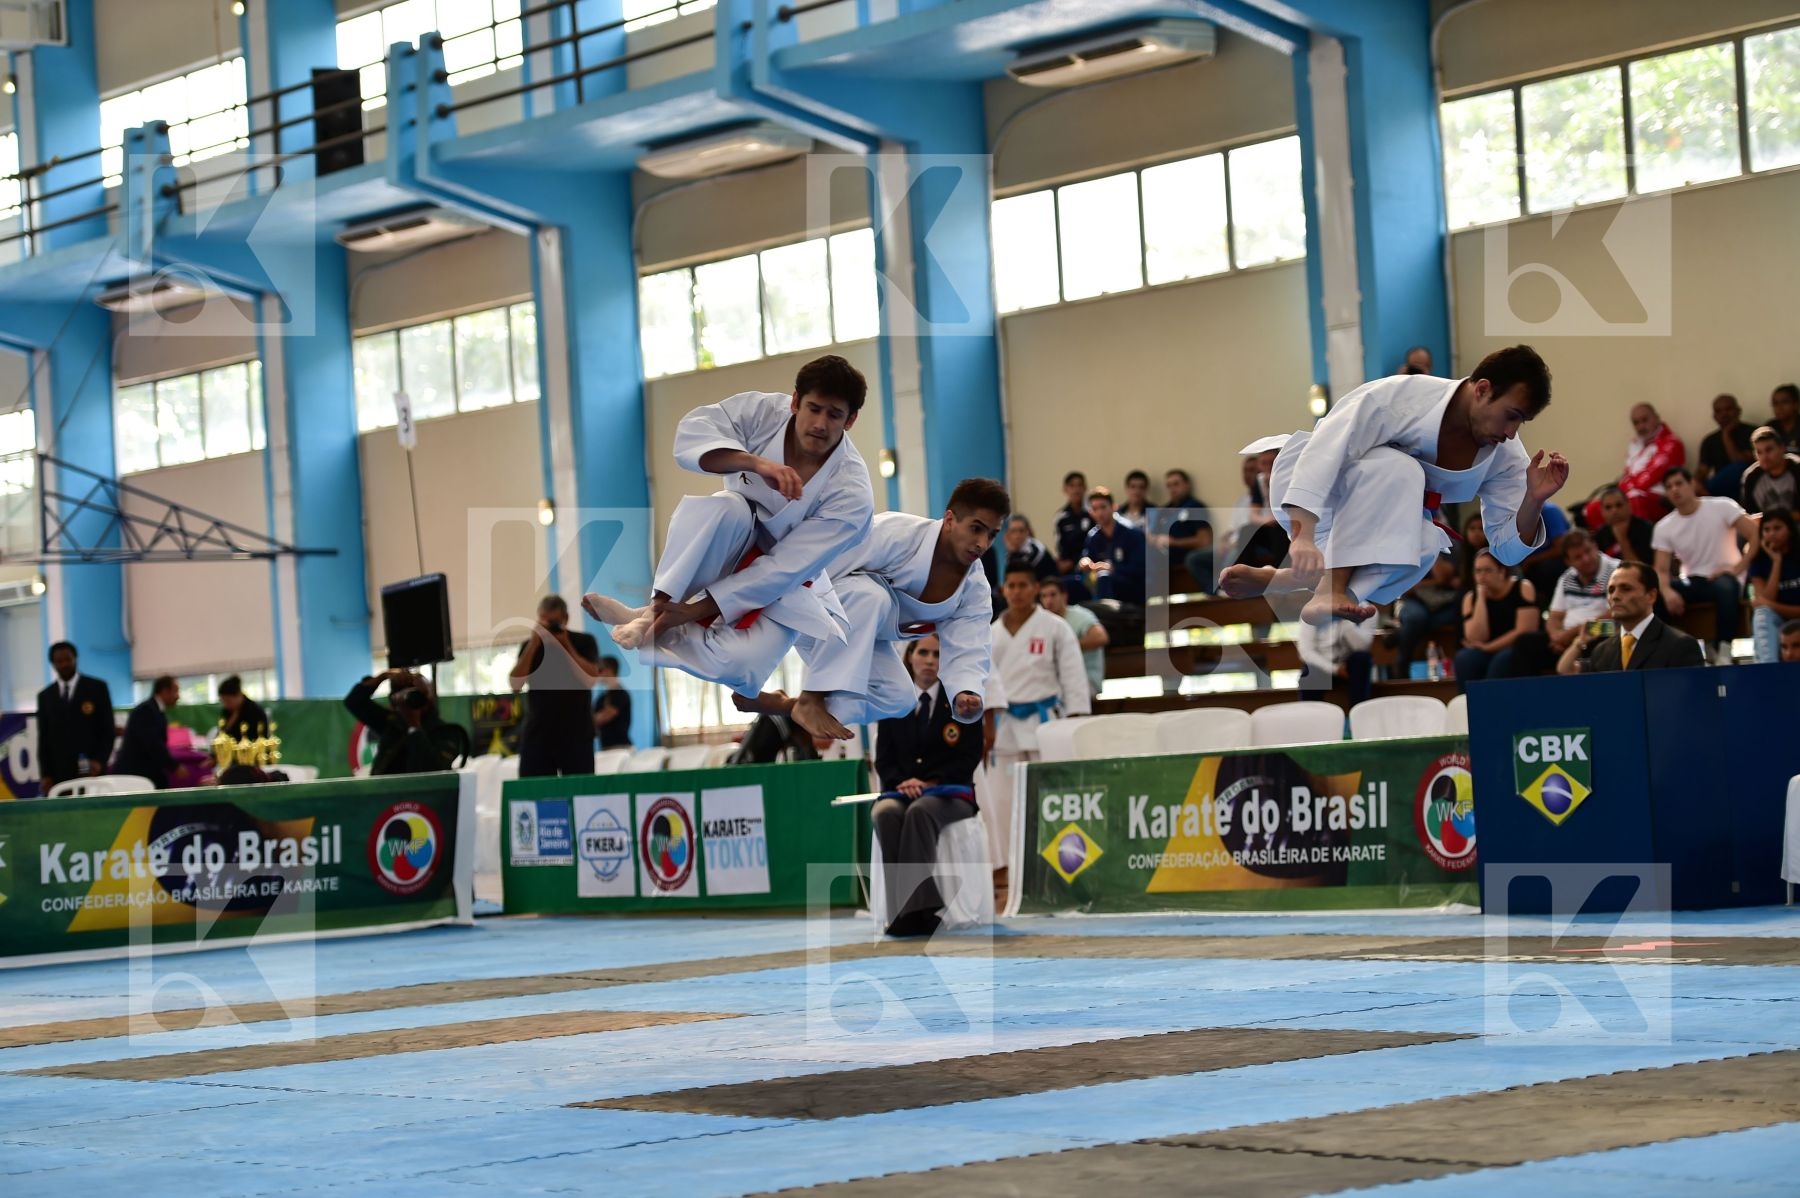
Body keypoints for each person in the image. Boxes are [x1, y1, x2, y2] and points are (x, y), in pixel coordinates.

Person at [583, 356, 874, 740]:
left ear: (850, 420)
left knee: (740, 666)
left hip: (787, 582)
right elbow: (691, 434)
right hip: (728, 541)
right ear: (794, 401)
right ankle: (654, 609)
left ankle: (645, 619)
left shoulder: (851, 492)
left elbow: (783, 569)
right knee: (725, 510)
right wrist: (756, 464)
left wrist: (690, 613)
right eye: (813, 408)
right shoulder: (762, 413)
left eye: (834, 415)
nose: (820, 424)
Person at [1220, 345, 1568, 628]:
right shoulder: (1400, 397)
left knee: (1429, 541)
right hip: (1313, 494)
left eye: (1521, 422)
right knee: (1402, 470)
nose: (1511, 432)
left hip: (1364, 529)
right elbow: (1327, 451)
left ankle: (1294, 582)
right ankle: (1331, 586)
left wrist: (1533, 502)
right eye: (1511, 415)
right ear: (1482, 389)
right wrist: (1303, 535)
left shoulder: (1506, 455)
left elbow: (1505, 551)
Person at [735, 478, 1006, 733]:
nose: (982, 543)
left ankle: (788, 706)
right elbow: (817, 563)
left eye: (992, 535)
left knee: (899, 699)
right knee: (871, 597)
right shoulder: (895, 534)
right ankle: (812, 697)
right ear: (950, 520)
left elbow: (970, 643)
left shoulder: (974, 587)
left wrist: (966, 690)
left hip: (863, 637)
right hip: (816, 618)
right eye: (976, 528)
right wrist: (759, 605)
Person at [870, 635, 986, 938]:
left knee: (921, 811)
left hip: (950, 793)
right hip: (902, 790)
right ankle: (913, 908)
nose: (930, 660)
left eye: (937, 654)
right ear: (910, 657)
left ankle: (910, 911)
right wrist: (902, 782)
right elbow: (884, 759)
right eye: (923, 652)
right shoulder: (895, 701)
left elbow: (969, 756)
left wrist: (931, 781)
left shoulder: (962, 700)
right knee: (885, 812)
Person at [984, 561, 1091, 864]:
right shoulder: (990, 632)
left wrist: (1075, 723)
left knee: (1052, 799)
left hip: (1044, 725)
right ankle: (1006, 868)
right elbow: (985, 681)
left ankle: (1060, 863)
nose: (1016, 592)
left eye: (1023, 585)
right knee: (1003, 802)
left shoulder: (1055, 628)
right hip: (1004, 727)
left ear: (1035, 589)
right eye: (1011, 586)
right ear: (1003, 590)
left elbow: (1073, 677)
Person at [1652, 466, 1761, 663]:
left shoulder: (1722, 506)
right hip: (1693, 581)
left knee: (1725, 587)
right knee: (1653, 594)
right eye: (1669, 487)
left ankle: (1723, 652)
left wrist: (1737, 568)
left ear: (1691, 483)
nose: (1675, 490)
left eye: (1679, 483)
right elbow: (1660, 568)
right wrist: (1667, 591)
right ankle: (1671, 652)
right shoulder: (1664, 527)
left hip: (1727, 577)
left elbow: (1754, 535)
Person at [510, 594, 602, 776]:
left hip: (577, 734)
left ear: (565, 619)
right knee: (535, 795)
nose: (550, 627)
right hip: (538, 736)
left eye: (555, 622)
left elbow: (590, 679)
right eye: (546, 621)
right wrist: (534, 644)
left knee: (580, 795)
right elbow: (515, 684)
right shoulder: (531, 646)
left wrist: (565, 645)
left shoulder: (583, 642)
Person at [1584, 561, 1707, 671]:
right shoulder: (1601, 652)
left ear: (1651, 596)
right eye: (1611, 590)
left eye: (1625, 588)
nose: (1615, 596)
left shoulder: (1680, 646)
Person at [343, 669, 468, 775]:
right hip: (386, 799)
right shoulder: (393, 724)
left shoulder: (448, 733)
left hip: (421, 802)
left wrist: (414, 727)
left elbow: (432, 771)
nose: (414, 701)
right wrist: (384, 676)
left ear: (431, 697)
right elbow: (354, 701)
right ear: (394, 702)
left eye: (419, 694)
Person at [1582, 403, 1685, 528]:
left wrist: (1621, 492)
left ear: (1657, 418)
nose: (1641, 426)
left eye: (1645, 420)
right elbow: (1627, 476)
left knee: (1633, 498)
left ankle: (1640, 545)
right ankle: (1610, 545)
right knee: (1590, 509)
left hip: (1659, 497)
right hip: (1630, 493)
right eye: (1636, 423)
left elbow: (1647, 478)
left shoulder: (1671, 442)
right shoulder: (1635, 445)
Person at [35, 641, 115, 793]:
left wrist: (99, 761)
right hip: (58, 774)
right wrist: (45, 774)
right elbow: (43, 739)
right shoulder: (45, 696)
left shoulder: (97, 688)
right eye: (59, 661)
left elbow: (107, 730)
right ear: (53, 664)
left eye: (68, 659)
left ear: (75, 659)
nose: (64, 664)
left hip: (91, 771)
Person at [1454, 550, 1543, 685]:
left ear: (1502, 571)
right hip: (1486, 648)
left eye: (1488, 571)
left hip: (1517, 648)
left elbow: (1525, 631)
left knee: (1501, 660)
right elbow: (1475, 638)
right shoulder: (1470, 598)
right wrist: (1481, 600)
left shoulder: (1523, 587)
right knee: (1464, 659)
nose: (1482, 577)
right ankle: (1468, 703)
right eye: (1478, 571)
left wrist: (1488, 647)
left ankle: (1494, 704)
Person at [1545, 529, 1619, 673]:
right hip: (1568, 635)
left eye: (1588, 551)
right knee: (1527, 643)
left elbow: (1615, 613)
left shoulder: (1617, 571)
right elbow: (1554, 616)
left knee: (1606, 632)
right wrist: (1556, 636)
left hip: (1606, 627)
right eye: (1578, 557)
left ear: (1595, 546)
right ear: (1568, 561)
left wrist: (1571, 634)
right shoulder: (1565, 578)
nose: (1586, 559)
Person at [1039, 574, 1107, 701]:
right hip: (1055, 682)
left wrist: (1067, 647)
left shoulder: (1081, 616)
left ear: (1064, 596)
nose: (1048, 600)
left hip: (1086, 680)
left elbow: (1100, 637)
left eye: (1053, 595)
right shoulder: (1042, 622)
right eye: (1044, 596)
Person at [1393, 556, 1463, 677]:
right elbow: (1402, 587)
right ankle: (1402, 664)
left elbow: (1443, 577)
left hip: (1445, 602)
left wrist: (1435, 555)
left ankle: (1400, 634)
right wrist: (1433, 582)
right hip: (1414, 600)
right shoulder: (1407, 546)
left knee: (1458, 613)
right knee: (1416, 618)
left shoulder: (1453, 546)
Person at [1079, 486, 1148, 607]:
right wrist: (1085, 563)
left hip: (1133, 588)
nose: (1100, 513)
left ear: (1113, 507)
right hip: (1102, 584)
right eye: (1095, 509)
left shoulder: (1131, 532)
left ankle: (1103, 619)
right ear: (1091, 513)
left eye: (1103, 507)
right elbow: (1087, 558)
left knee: (1104, 577)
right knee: (1071, 583)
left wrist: (1113, 569)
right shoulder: (1093, 536)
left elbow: (1141, 568)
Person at [1747, 510, 1800, 664]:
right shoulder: (1759, 561)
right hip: (1778, 620)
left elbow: (1767, 602)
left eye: (1777, 528)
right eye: (1766, 529)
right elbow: (1765, 603)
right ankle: (1769, 670)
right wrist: (1776, 562)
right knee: (1762, 614)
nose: (1771, 534)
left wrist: (1770, 604)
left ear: (1790, 530)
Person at [113, 675, 179, 788]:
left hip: (146, 770)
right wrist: (174, 766)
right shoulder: (146, 710)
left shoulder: (156, 710)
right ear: (165, 691)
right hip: (135, 773)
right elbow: (153, 743)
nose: (178, 696)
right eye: (176, 691)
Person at [1152, 468, 1212, 591]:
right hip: (1160, 556)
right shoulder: (1163, 511)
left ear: (1187, 485)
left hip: (1183, 555)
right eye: (1169, 485)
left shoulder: (1195, 507)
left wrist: (1173, 542)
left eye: (1176, 484)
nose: (1172, 489)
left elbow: (1204, 541)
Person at [1696, 393, 1755, 502]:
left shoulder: (1753, 433)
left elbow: (1739, 462)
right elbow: (1702, 471)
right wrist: (1697, 484)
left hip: (1748, 485)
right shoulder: (1709, 440)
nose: (1724, 414)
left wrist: (1726, 435)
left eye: (1728, 409)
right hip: (1721, 490)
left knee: (1738, 467)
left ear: (1738, 411)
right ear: (1714, 416)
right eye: (1719, 411)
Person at [1739, 426, 1800, 518]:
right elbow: (1748, 516)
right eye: (1759, 452)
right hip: (1764, 529)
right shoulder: (1751, 477)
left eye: (1769, 450)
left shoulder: (1797, 469)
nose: (1764, 457)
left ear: (1782, 448)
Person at [1592, 484, 1656, 565]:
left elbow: (1643, 571)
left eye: (1619, 505)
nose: (1614, 511)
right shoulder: (1600, 535)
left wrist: (1622, 539)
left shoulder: (1646, 529)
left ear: (1629, 505)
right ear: (1602, 511)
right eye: (1608, 507)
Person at [1051, 470, 1093, 575]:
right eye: (1072, 486)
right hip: (1068, 570)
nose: (1076, 490)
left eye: (1079, 485)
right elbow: (1059, 546)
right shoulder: (1060, 517)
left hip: (1090, 565)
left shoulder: (1093, 513)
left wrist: (1075, 561)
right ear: (1065, 489)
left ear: (1085, 488)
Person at [592, 655, 632, 750]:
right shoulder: (601, 698)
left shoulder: (621, 694)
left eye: (600, 669)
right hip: (607, 748)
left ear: (609, 670)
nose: (597, 673)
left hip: (621, 749)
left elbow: (604, 717)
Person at [216, 675, 268, 742]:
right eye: (223, 701)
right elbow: (220, 736)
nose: (226, 705)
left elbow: (259, 737)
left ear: (239, 695)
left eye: (228, 701)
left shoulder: (255, 711)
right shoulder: (226, 712)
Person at [1770, 384, 1800, 454]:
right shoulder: (1770, 428)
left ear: (1796, 404)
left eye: (1784, 402)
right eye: (1775, 403)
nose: (1779, 408)